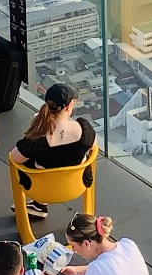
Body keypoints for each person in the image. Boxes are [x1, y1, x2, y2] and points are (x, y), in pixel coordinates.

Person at [9, 80, 96, 220]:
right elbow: (93, 146)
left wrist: (36, 127)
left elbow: (15, 157)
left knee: (30, 160)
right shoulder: (84, 130)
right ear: (69, 107)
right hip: (77, 186)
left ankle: (39, 204)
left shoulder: (38, 139)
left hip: (41, 190)